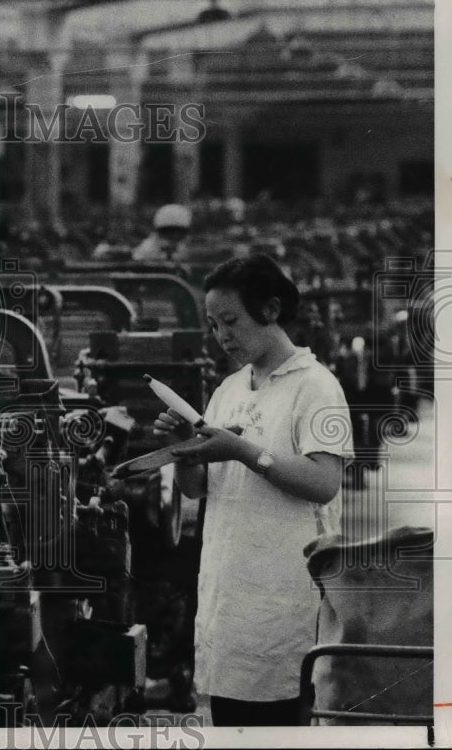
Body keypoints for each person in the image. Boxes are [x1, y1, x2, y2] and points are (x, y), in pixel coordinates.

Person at [154, 254, 353, 727]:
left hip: (285, 595)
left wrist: (243, 450)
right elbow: (199, 488)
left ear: (270, 310)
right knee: (231, 719)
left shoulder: (316, 388)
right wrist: (178, 450)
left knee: (281, 716)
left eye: (230, 321)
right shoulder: (229, 389)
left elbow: (324, 483)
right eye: (213, 324)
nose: (222, 336)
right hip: (231, 595)